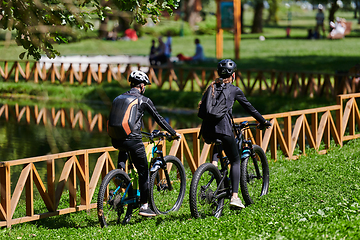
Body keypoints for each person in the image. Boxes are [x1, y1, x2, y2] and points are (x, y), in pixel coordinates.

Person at [198, 59, 271, 209]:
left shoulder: (210, 87)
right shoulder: (233, 89)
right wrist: (263, 121)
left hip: (207, 131)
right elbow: (250, 108)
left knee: (217, 141)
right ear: (233, 75)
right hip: (224, 129)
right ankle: (235, 197)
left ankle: (214, 166)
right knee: (235, 160)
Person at [109, 70, 181, 217]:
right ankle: (144, 206)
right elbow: (159, 119)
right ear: (141, 86)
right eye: (145, 85)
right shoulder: (143, 100)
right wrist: (173, 133)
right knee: (144, 172)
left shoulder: (118, 98)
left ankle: (120, 174)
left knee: (124, 147)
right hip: (133, 140)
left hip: (116, 139)